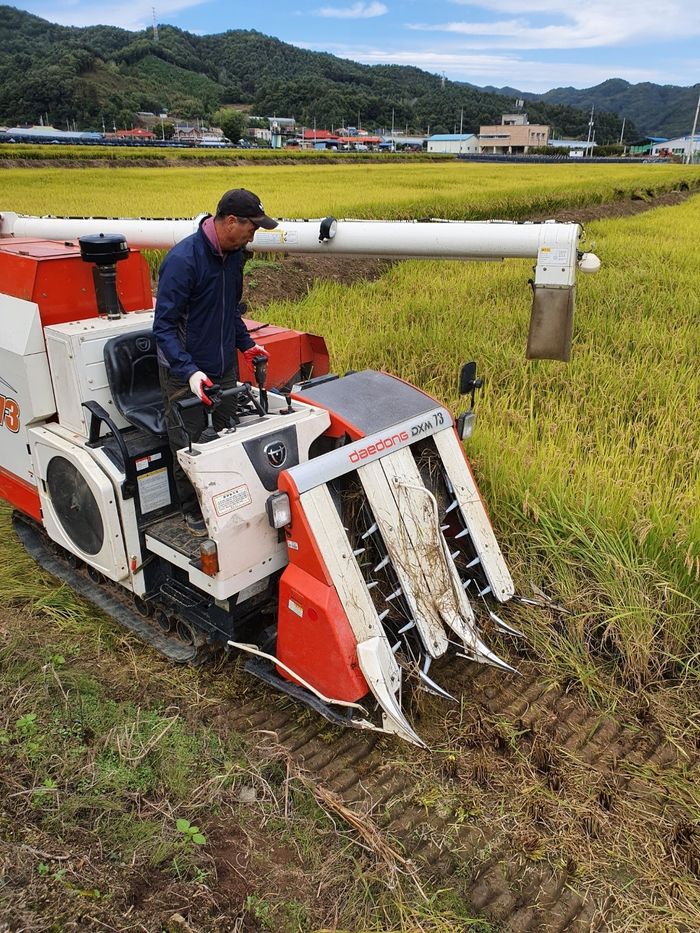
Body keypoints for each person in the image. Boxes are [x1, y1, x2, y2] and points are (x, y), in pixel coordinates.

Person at [153, 188, 278, 535]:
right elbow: (162, 328)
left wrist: (247, 345)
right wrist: (189, 371)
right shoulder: (184, 261)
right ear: (231, 221)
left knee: (225, 436)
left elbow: (230, 313)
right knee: (190, 444)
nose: (254, 234)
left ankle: (228, 506)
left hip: (222, 369)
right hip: (185, 373)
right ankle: (192, 510)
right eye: (252, 227)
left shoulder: (235, 256)